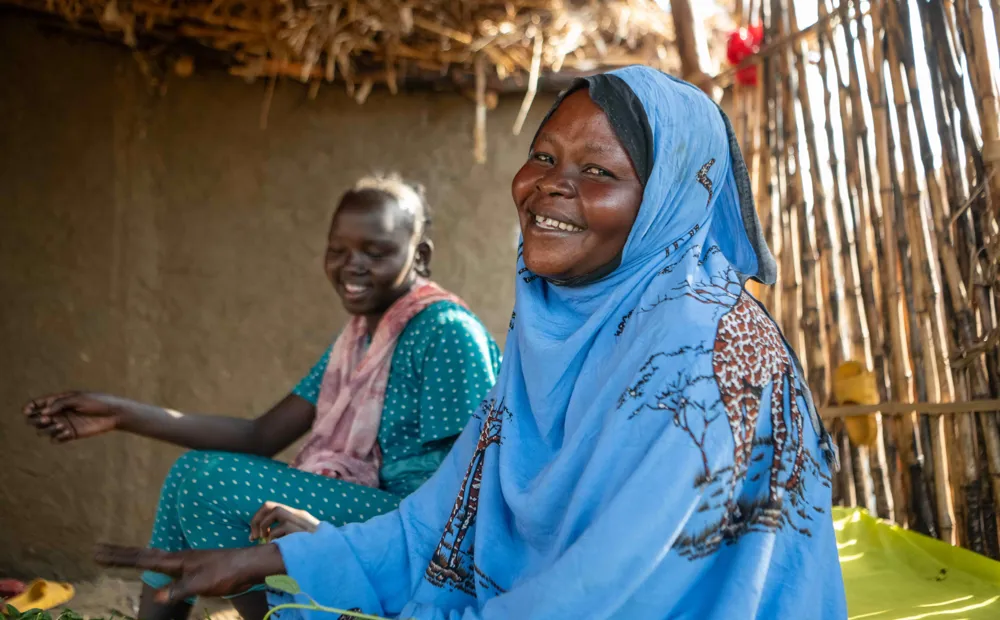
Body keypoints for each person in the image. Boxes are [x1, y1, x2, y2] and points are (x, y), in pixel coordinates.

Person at [94, 67, 847, 618]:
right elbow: (437, 522)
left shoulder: (698, 353)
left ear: (667, 204)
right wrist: (268, 558)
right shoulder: (557, 327)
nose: (551, 186)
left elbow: (605, 588)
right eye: (544, 157)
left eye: (598, 172)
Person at [25, 173, 501, 620]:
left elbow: (469, 494)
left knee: (204, 479)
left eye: (375, 252)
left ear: (419, 255)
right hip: (381, 516)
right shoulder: (359, 339)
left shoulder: (446, 332)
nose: (352, 265)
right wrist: (120, 413)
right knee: (187, 479)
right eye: (338, 250)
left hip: (424, 536)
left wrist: (328, 535)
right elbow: (260, 435)